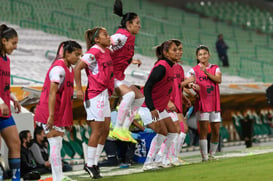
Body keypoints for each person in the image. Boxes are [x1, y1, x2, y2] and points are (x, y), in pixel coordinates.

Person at [34, 40, 82, 181]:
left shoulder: (70, 69)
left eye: (80, 55)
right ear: (67, 53)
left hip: (59, 111)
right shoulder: (58, 69)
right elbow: (52, 93)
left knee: (58, 143)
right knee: (54, 143)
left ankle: (58, 176)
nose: (78, 58)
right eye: (76, 54)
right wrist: (51, 116)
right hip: (50, 111)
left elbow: (65, 95)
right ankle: (57, 178)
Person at [74, 27, 113, 179]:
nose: (108, 37)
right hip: (94, 95)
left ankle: (94, 162)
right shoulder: (94, 51)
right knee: (97, 131)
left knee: (106, 130)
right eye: (105, 34)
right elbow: (78, 68)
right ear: (97, 39)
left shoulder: (107, 51)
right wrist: (79, 89)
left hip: (104, 95)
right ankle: (89, 164)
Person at [138, 40, 179, 170]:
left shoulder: (171, 66)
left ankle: (161, 159)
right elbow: (147, 88)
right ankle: (148, 163)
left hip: (160, 108)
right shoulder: (161, 67)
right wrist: (152, 108)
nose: (178, 52)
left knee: (173, 131)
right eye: (174, 50)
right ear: (166, 53)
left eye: (178, 49)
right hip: (149, 108)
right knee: (162, 132)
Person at [110, 0, 144, 143]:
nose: (139, 25)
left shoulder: (129, 37)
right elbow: (105, 49)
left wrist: (131, 60)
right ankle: (117, 128)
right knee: (130, 94)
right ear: (129, 24)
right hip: (110, 76)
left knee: (140, 97)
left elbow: (119, 55)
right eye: (137, 23)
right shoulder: (121, 36)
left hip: (119, 76)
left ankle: (124, 128)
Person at [156, 40, 193, 166]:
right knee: (179, 129)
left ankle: (169, 157)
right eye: (177, 49)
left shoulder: (179, 68)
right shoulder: (164, 66)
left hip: (176, 102)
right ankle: (166, 157)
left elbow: (177, 86)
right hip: (167, 103)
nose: (180, 52)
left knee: (178, 130)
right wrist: (168, 101)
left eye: (181, 49)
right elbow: (161, 86)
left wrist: (184, 97)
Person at [186, 45, 222, 161]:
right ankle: (205, 157)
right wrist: (192, 87)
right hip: (202, 103)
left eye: (205, 53)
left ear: (209, 55)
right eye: (200, 54)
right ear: (197, 56)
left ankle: (212, 154)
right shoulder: (193, 70)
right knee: (204, 131)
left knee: (216, 130)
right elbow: (186, 83)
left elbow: (218, 80)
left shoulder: (215, 68)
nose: (203, 56)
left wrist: (206, 71)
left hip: (214, 102)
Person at [0, 24, 21, 181]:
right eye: (13, 43)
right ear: (3, 41)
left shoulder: (6, 60)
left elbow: (4, 84)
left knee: (15, 143)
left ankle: (16, 178)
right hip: (1, 105)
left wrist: (13, 98)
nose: (15, 47)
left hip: (5, 109)